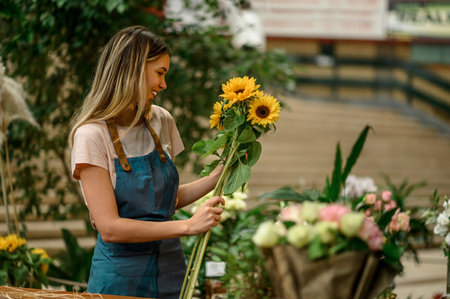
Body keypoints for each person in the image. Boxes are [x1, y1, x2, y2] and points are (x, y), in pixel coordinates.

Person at [68, 25, 225, 298]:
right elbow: (110, 227)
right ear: (132, 69)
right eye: (159, 73)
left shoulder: (161, 120)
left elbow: (165, 201)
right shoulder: (91, 135)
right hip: (120, 280)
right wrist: (188, 226)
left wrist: (219, 176)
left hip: (170, 271)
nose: (164, 85)